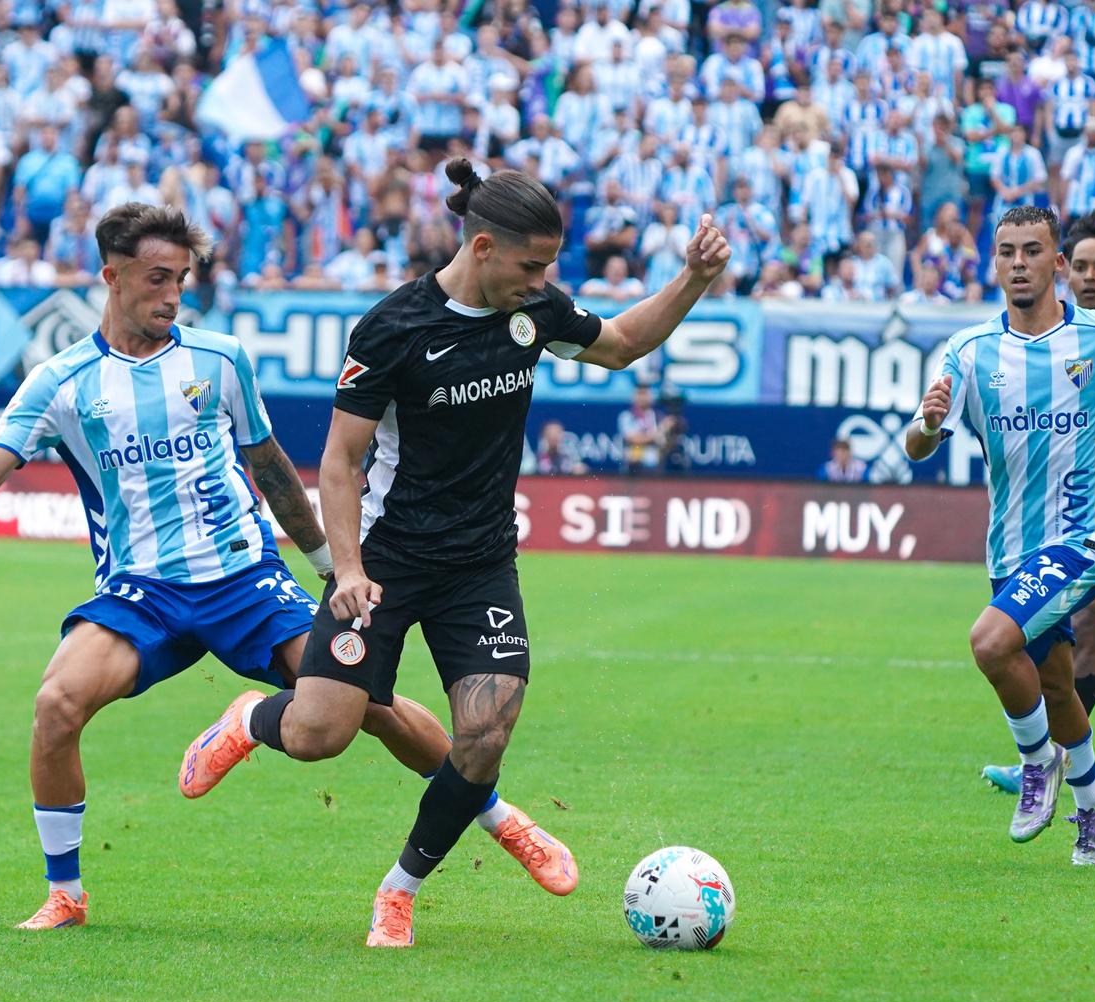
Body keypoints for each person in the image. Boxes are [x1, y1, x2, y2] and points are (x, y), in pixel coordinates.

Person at [0, 203, 551, 930]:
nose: (172, 296)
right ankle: (65, 891)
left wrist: (327, 564)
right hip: (140, 592)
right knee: (56, 705)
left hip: (246, 581)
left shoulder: (219, 358)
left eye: (182, 280)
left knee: (361, 709)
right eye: (158, 279)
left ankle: (499, 816)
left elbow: (275, 470)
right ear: (111, 276)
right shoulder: (60, 383)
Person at [177, 161, 729, 947]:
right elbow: (339, 461)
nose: (545, 280)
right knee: (319, 734)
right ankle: (249, 720)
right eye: (532, 264)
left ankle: (399, 892)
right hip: (385, 561)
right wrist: (350, 569)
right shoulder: (393, 329)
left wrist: (693, 278)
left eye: (550, 266)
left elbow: (623, 345)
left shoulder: (535, 311)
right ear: (480, 247)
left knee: (486, 733)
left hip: (480, 565)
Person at [904, 205, 1095, 866]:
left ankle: (1037, 763)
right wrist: (928, 427)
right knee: (1053, 683)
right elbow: (917, 445)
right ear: (995, 262)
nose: (1019, 263)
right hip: (1011, 548)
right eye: (1007, 251)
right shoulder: (969, 350)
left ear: (1058, 265)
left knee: (990, 642)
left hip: (1085, 538)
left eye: (1032, 251)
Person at [979, 208, 1095, 794]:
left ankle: (1052, 760)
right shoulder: (1048, 344)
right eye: (1079, 266)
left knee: (1083, 622)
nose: (1087, 278)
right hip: (1062, 526)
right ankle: (1075, 777)